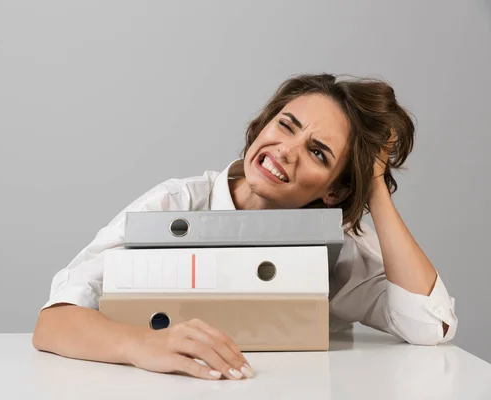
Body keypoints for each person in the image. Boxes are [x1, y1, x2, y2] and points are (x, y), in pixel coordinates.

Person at [32, 73, 457, 381]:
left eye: (318, 153)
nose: (285, 151)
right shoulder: (177, 203)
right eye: (285, 126)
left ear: (333, 192)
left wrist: (375, 183)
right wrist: (140, 345)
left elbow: (427, 323)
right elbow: (55, 322)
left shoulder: (339, 251)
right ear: (263, 125)